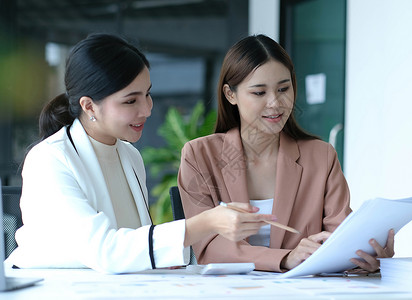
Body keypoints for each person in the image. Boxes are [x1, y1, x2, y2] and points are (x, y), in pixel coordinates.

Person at [6, 33, 275, 274]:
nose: (147, 109)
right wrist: (206, 222)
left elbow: (136, 244)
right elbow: (106, 251)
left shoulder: (129, 155)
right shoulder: (49, 160)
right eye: (130, 101)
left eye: (147, 94)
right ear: (89, 106)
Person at [178, 34, 395, 272]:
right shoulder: (200, 155)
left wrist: (365, 256)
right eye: (259, 93)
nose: (275, 103)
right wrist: (285, 258)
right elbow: (208, 248)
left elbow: (339, 238)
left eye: (283, 88)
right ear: (231, 95)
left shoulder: (321, 156)